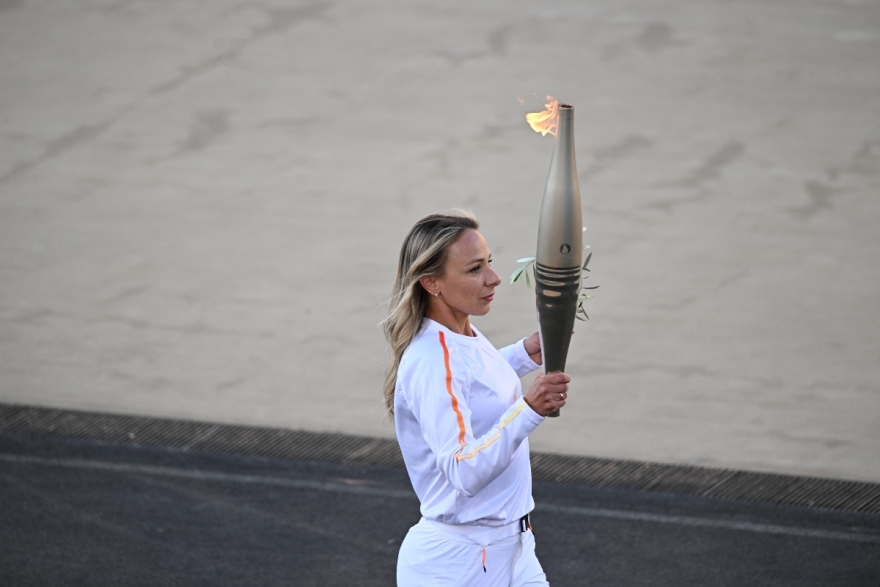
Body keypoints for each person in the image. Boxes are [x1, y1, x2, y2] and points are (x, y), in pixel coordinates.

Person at [383, 211, 570, 587]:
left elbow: (470, 381)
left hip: (514, 549)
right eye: (474, 270)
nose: (494, 278)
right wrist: (529, 409)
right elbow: (463, 471)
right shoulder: (432, 360)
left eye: (490, 264)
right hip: (458, 567)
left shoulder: (461, 333)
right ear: (431, 282)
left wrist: (522, 354)